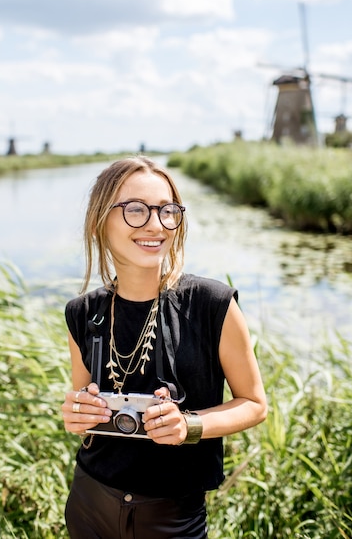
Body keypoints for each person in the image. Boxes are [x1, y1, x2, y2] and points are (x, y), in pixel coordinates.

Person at [61, 155, 267, 539]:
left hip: (172, 517)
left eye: (167, 211)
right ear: (100, 220)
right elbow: (84, 409)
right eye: (136, 210)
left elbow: (255, 404)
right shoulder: (81, 312)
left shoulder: (213, 304)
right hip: (89, 503)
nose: (156, 225)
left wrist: (189, 425)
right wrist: (77, 416)